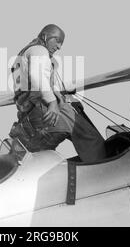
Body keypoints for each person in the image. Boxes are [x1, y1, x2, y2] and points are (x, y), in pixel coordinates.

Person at [9, 24, 106, 163]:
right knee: (90, 138)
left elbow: (30, 85)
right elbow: (37, 77)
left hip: (30, 118)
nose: (59, 47)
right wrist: (52, 102)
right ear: (45, 36)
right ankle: (101, 170)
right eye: (57, 40)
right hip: (46, 109)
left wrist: (57, 95)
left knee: (39, 157)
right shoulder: (39, 50)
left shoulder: (24, 53)